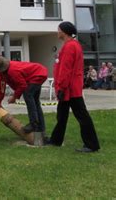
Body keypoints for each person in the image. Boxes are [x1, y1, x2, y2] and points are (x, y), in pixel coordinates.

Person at [47, 21, 100, 153]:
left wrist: (61, 88)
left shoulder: (70, 46)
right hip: (69, 88)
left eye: (58, 30)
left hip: (69, 89)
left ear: (64, 32)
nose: (57, 32)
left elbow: (66, 69)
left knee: (82, 116)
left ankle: (92, 144)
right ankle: (55, 140)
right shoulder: (73, 45)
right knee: (62, 115)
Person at [0, 57, 48, 134]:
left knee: (28, 95)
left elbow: (22, 85)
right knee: (35, 102)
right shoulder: (1, 74)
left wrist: (14, 97)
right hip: (36, 74)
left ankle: (33, 124)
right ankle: (40, 128)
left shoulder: (12, 71)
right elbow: (1, 87)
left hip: (38, 74)